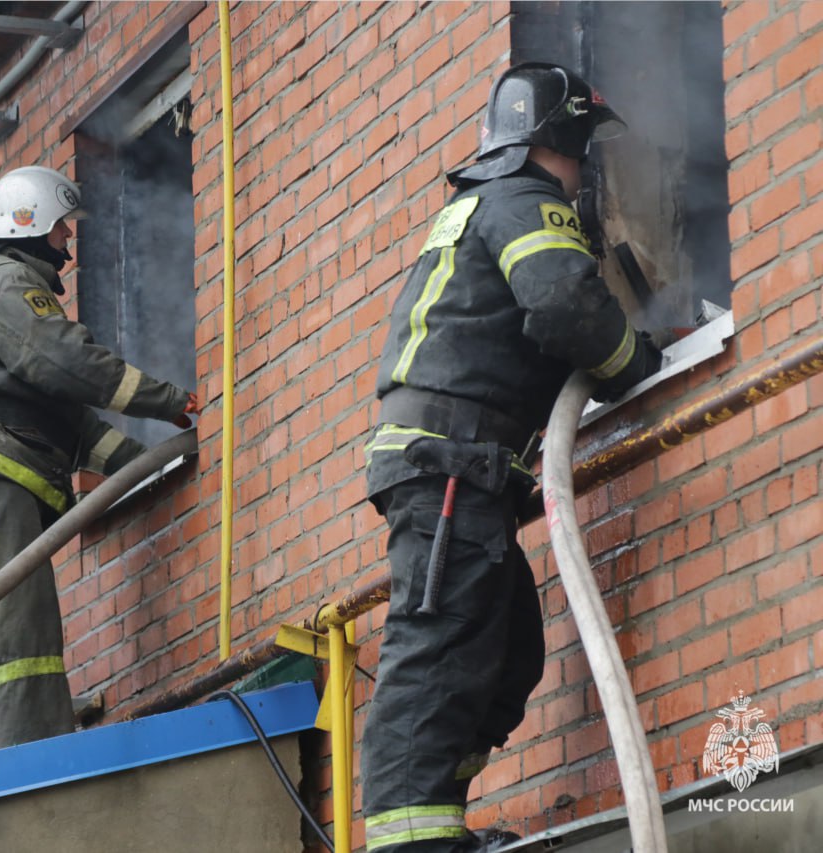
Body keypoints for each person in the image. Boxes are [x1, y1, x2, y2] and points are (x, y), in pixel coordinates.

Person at [360, 63, 662, 853]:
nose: (584, 170)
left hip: (459, 467)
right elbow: (565, 305)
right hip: (453, 466)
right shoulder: (525, 199)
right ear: (554, 139)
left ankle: (437, 820)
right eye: (579, 147)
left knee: (505, 647)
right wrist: (635, 360)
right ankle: (411, 839)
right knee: (441, 642)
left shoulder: (476, 205)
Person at [0, 165, 199, 763]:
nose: (69, 243)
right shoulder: (3, 279)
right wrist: (171, 401)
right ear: (33, 223)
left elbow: (70, 428)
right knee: (18, 636)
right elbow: (67, 362)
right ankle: (31, 771)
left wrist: (155, 465)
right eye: (63, 229)